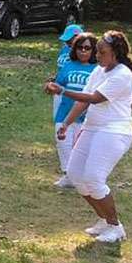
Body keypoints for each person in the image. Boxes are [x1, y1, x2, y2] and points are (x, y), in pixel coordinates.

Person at [46, 30, 132, 243]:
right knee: (75, 175)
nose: (97, 55)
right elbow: (83, 101)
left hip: (113, 131)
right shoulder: (99, 70)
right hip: (92, 128)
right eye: (97, 51)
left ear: (115, 53)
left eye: (102, 52)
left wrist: (61, 91)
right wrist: (66, 124)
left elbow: (94, 98)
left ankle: (116, 227)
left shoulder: (122, 74)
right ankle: (104, 220)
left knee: (94, 178)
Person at [44, 32, 97, 189]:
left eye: (87, 48)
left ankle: (76, 176)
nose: (83, 51)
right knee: (63, 144)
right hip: (64, 112)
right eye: (79, 47)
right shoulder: (68, 65)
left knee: (79, 148)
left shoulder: (98, 70)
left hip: (86, 116)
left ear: (94, 50)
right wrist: (50, 87)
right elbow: (58, 86)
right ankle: (69, 175)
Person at [53, 23, 84, 118]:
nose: (67, 43)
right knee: (58, 118)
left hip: (73, 89)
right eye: (66, 41)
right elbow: (62, 67)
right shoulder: (64, 49)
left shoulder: (83, 53)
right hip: (59, 87)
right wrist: (56, 77)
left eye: (70, 41)